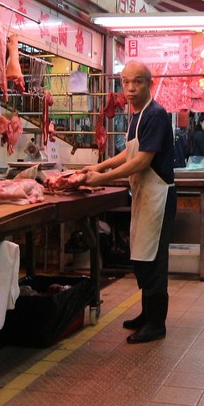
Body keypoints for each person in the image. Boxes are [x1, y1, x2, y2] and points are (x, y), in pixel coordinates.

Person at [83, 60, 176, 343]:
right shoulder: (136, 114)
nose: (131, 88)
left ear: (149, 83)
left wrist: (101, 179)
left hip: (158, 197)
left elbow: (142, 160)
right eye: (126, 82)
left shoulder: (156, 114)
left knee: (154, 261)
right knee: (141, 257)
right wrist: (100, 167)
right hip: (144, 196)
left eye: (137, 82)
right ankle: (147, 314)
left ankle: (157, 323)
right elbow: (127, 154)